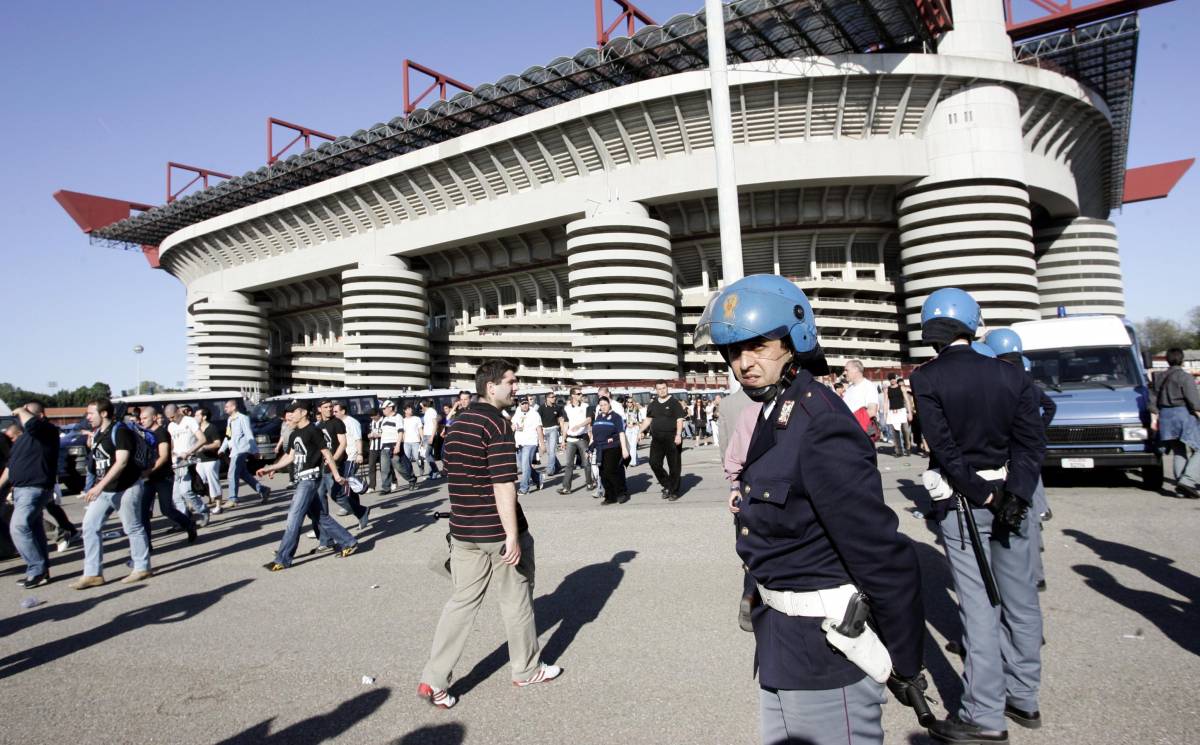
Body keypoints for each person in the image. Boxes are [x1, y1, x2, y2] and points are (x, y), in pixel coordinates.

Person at [694, 274, 928, 745]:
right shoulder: (773, 410)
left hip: (828, 652)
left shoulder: (819, 422)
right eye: (734, 352)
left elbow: (879, 551)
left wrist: (904, 660)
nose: (744, 363)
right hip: (782, 640)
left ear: (794, 338)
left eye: (758, 345)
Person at [910, 288, 1047, 742]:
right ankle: (1024, 695)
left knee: (979, 607)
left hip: (966, 501)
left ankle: (983, 714)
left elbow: (944, 448)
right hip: (1014, 497)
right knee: (1021, 598)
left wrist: (982, 494)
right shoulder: (1014, 377)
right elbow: (1031, 446)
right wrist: (1016, 494)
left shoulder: (927, 378)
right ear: (972, 324)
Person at [417, 359, 562, 709]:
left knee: (462, 602)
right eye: (511, 382)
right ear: (491, 386)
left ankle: (433, 679)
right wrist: (512, 534)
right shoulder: (497, 424)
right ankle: (526, 669)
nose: (516, 388)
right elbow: (503, 483)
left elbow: (453, 473)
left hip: (463, 528)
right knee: (517, 599)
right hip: (496, 530)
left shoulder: (458, 421)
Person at [984, 328, 1057, 591]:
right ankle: (1037, 575)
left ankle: (1024, 576)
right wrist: (1041, 426)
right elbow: (1049, 407)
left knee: (1015, 524)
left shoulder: (999, 381)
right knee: (1031, 516)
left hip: (1010, 458)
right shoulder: (1026, 379)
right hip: (1031, 456)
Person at [259, 401, 358, 571]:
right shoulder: (294, 434)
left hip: (310, 480)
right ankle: (348, 541)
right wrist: (271, 467)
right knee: (320, 517)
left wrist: (336, 475)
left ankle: (282, 559)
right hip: (301, 481)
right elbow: (289, 457)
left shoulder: (313, 430)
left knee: (294, 518)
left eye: (293, 412)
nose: (290, 415)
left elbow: (326, 453)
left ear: (303, 412)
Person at [73, 397, 152, 588]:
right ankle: (93, 574)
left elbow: (122, 461)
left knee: (132, 527)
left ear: (104, 413)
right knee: (90, 526)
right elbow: (98, 464)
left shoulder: (121, 431)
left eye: (91, 413)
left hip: (127, 487)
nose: (88, 417)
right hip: (106, 489)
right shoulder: (98, 433)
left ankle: (142, 568)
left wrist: (98, 486)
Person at [0, 402, 60, 587]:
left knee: (18, 527)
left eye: (26, 415)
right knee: (34, 529)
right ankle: (42, 570)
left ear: (40, 416)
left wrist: (20, 409)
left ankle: (36, 569)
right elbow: (11, 467)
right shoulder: (25, 439)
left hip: (35, 489)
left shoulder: (47, 432)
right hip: (21, 490)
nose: (21, 419)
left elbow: (32, 424)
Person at [137, 406, 197, 548]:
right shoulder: (145, 434)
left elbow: (164, 456)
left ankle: (189, 524)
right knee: (143, 511)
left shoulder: (161, 433)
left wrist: (148, 471)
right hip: (149, 480)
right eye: (141, 419)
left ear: (154, 417)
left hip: (163, 477)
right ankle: (147, 544)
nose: (142, 421)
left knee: (166, 509)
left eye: (144, 418)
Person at [1149, 347, 1200, 498]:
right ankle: (1188, 480)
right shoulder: (1185, 377)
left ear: (1167, 360)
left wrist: (1154, 420)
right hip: (1182, 415)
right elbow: (1194, 402)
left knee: (1179, 450)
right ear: (1182, 359)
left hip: (1165, 417)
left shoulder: (1159, 377)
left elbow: (1152, 401)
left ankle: (1181, 488)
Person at [216, 399, 270, 511]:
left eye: (227, 407)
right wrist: (222, 449)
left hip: (241, 450)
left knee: (232, 474)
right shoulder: (230, 419)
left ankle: (233, 499)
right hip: (233, 450)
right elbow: (228, 436)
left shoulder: (243, 418)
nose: (225, 409)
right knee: (243, 474)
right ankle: (263, 490)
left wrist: (255, 450)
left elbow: (249, 434)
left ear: (233, 407)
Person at [165, 404, 211, 526]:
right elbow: (172, 445)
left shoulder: (190, 421)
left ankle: (203, 511)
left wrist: (189, 452)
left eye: (173, 416)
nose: (171, 420)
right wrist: (171, 454)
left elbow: (202, 439)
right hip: (176, 463)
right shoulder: (171, 426)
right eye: (168, 418)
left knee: (186, 491)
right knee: (175, 495)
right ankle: (184, 520)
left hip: (188, 461)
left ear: (179, 411)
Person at [639, 381, 686, 501]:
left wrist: (678, 435)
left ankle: (673, 491)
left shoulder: (674, 403)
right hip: (657, 439)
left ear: (667, 388)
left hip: (672, 438)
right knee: (654, 463)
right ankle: (668, 484)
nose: (662, 391)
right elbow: (648, 420)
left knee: (674, 466)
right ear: (656, 390)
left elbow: (679, 420)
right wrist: (640, 431)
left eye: (663, 388)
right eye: (659, 389)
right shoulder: (653, 404)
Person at [333, 401, 372, 531]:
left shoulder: (352, 422)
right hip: (342, 457)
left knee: (346, 481)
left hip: (352, 455)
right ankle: (354, 506)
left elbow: (358, 439)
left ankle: (352, 507)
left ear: (343, 411)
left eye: (336, 411)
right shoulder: (338, 423)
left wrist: (360, 454)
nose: (334, 413)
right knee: (348, 482)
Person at [557, 387, 596, 495]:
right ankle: (566, 488)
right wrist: (563, 440)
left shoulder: (586, 406)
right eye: (578, 394)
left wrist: (579, 425)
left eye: (581, 394)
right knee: (569, 464)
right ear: (572, 395)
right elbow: (565, 424)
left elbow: (589, 419)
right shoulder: (567, 408)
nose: (581, 395)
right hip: (570, 439)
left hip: (582, 438)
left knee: (586, 463)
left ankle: (589, 483)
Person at [591, 397, 630, 505]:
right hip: (600, 448)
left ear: (609, 404)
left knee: (610, 471)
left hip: (613, 447)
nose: (603, 407)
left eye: (605, 404)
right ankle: (610, 496)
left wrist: (624, 449)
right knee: (602, 473)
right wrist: (590, 447)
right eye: (601, 405)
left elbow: (621, 433)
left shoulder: (616, 417)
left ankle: (621, 493)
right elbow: (595, 434)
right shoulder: (598, 417)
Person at [511, 398, 543, 495]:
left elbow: (539, 428)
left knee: (525, 466)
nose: (525, 405)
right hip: (519, 443)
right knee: (523, 466)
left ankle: (524, 488)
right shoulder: (517, 413)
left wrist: (542, 443)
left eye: (526, 403)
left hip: (530, 442)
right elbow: (513, 425)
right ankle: (538, 478)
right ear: (519, 405)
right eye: (523, 404)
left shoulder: (534, 414)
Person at [192, 407, 223, 505]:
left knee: (213, 482)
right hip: (199, 460)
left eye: (197, 415)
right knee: (198, 483)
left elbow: (217, 443)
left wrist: (205, 447)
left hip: (211, 460)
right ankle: (200, 504)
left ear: (204, 417)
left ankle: (218, 505)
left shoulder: (212, 428)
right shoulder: (196, 429)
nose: (195, 417)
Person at [842, 360, 879, 440]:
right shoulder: (849, 388)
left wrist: (849, 424)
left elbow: (872, 411)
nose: (844, 373)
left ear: (855, 369)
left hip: (861, 434)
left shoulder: (869, 386)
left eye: (846, 370)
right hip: (848, 433)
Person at [883, 374, 912, 458]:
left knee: (906, 431)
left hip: (902, 411)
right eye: (890, 379)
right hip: (892, 412)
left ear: (896, 379)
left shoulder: (902, 388)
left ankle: (908, 448)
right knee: (895, 433)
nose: (892, 380)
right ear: (889, 380)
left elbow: (907, 400)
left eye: (893, 378)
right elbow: (885, 402)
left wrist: (909, 412)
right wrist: (885, 414)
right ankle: (898, 451)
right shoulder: (886, 390)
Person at [538, 391, 565, 477]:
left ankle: (550, 469)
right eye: (552, 397)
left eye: (555, 397)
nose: (554, 398)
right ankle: (558, 466)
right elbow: (538, 421)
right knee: (549, 452)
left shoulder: (557, 407)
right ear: (547, 398)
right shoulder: (541, 408)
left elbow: (561, 419)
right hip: (545, 430)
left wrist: (562, 430)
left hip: (554, 429)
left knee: (552, 451)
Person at [421, 399, 443, 480]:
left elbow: (435, 424)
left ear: (423, 405)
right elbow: (426, 425)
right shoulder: (427, 412)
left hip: (431, 435)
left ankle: (435, 471)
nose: (421, 408)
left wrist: (432, 436)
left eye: (421, 406)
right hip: (426, 435)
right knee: (429, 454)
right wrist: (423, 438)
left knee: (427, 454)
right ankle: (432, 473)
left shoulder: (431, 411)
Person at [402, 404, 425, 477]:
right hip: (406, 442)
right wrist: (402, 441)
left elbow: (420, 429)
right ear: (405, 411)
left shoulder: (416, 418)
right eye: (408, 409)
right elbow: (402, 432)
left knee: (417, 457)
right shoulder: (403, 420)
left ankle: (421, 467)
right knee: (407, 458)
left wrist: (423, 440)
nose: (410, 410)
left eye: (411, 409)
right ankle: (410, 473)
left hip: (416, 441)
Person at [623, 399, 642, 467]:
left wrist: (640, 432)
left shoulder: (636, 410)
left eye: (631, 402)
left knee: (633, 445)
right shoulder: (625, 410)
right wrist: (626, 425)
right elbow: (624, 420)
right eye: (628, 402)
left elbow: (640, 421)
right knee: (629, 445)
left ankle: (633, 462)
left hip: (635, 428)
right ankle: (636, 460)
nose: (629, 403)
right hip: (628, 429)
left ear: (633, 403)